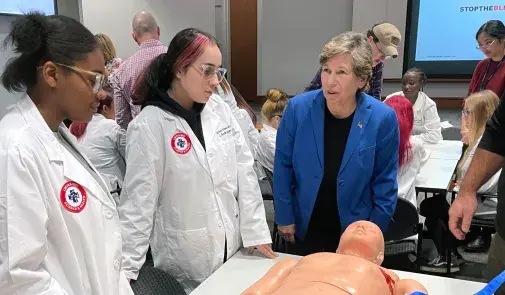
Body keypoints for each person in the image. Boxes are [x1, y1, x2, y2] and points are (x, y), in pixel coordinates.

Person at [118, 28, 275, 293]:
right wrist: (126, 272)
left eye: (219, 72)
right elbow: (138, 204)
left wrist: (256, 230)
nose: (216, 81)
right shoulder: (149, 126)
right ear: (179, 69)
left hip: (233, 245)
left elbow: (245, 172)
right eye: (208, 70)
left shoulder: (219, 110)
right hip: (185, 258)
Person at [0, 12, 133, 294]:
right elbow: (19, 279)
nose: (102, 94)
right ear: (51, 74)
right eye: (94, 80)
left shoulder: (57, 134)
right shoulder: (15, 149)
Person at [274, 31, 399, 256]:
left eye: (341, 72)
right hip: (305, 224)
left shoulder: (383, 118)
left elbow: (385, 184)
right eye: (326, 71)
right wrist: (284, 216)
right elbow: (282, 166)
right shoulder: (298, 109)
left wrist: (374, 235)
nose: (330, 81)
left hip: (354, 232)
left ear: (361, 79)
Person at [241, 221, 429, 295]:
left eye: (371, 230)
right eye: (353, 227)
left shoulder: (385, 275)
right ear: (338, 248)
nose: (362, 226)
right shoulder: (300, 261)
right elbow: (259, 289)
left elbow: (411, 289)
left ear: (379, 257)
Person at [426, 91, 500, 273]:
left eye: (468, 112)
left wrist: (458, 185)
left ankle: (448, 257)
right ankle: (450, 253)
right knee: (432, 204)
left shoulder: (485, 148)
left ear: (483, 114)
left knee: (432, 207)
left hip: (484, 205)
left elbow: (478, 184)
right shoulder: (480, 141)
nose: (463, 117)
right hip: (482, 200)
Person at [305, 23, 402, 100]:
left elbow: (375, 97)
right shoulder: (346, 53)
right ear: (370, 40)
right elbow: (313, 90)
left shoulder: (377, 64)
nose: (382, 59)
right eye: (381, 52)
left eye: (386, 56)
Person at [69, 82, 126, 204]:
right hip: (113, 194)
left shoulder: (73, 129)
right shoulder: (110, 126)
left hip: (89, 192)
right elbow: (133, 157)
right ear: (105, 109)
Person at [112, 11, 167, 130]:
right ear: (158, 31)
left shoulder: (121, 71)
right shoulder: (177, 58)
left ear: (134, 36)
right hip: (178, 137)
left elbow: (121, 118)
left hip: (143, 138)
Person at [385, 95, 429, 208]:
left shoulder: (377, 142)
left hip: (381, 205)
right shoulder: (416, 144)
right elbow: (422, 161)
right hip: (407, 209)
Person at [386, 68, 442, 144]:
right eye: (403, 83)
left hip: (423, 145)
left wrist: (405, 139)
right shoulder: (391, 99)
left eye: (411, 84)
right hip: (395, 144)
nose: (406, 87)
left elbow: (434, 136)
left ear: (421, 84)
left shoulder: (428, 105)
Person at [468, 20, 505, 97]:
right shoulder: (482, 65)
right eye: (480, 45)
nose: (484, 48)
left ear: (502, 39)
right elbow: (470, 95)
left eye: (488, 43)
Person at [257, 88, 289, 173]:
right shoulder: (270, 140)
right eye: (288, 117)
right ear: (277, 119)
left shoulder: (269, 134)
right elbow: (290, 164)